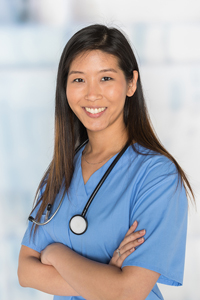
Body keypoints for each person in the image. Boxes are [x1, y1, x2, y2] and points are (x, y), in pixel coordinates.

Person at [18, 24, 194, 300]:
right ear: (64, 87)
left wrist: (55, 253)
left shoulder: (157, 176)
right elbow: (25, 271)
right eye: (78, 80)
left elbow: (128, 292)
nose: (92, 94)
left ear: (131, 83)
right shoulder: (62, 170)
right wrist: (105, 281)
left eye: (106, 78)